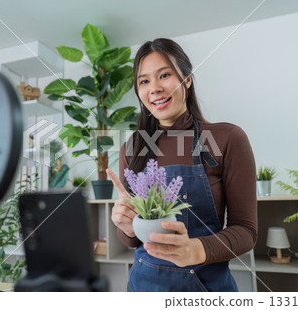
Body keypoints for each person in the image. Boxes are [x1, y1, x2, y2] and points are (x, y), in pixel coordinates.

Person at [106, 38, 257, 292]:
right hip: (142, 289)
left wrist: (197, 250)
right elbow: (131, 242)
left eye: (164, 75)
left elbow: (246, 230)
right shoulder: (132, 149)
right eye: (144, 81)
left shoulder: (228, 138)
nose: (154, 88)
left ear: (187, 79)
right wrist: (125, 225)